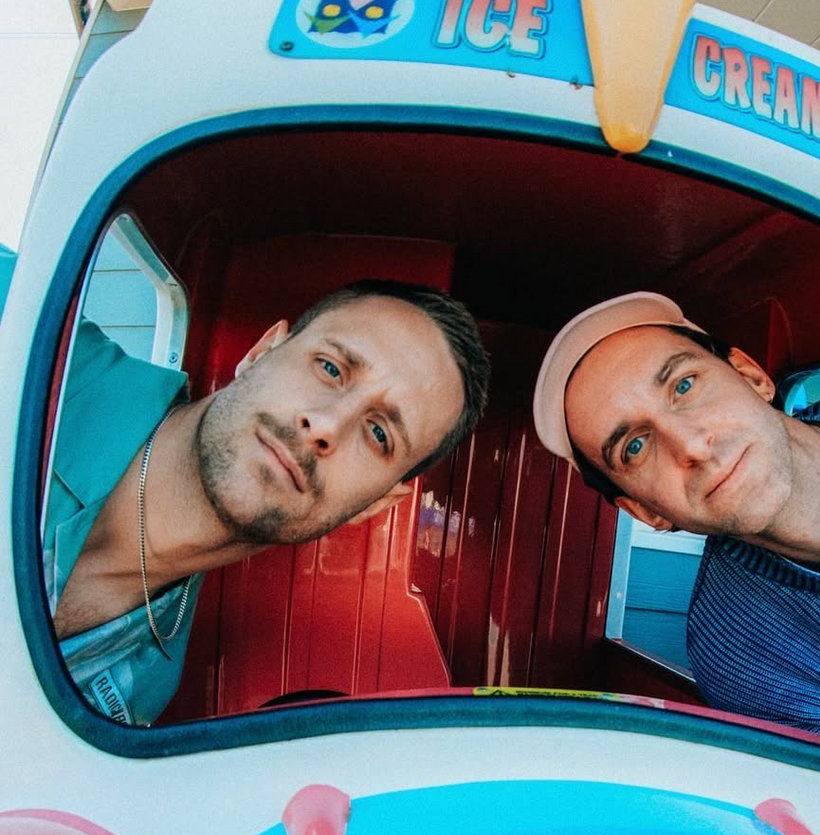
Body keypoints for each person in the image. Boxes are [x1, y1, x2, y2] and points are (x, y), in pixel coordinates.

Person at [45, 279, 489, 725]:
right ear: (261, 353)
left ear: (375, 505)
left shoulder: (144, 686)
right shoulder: (34, 346)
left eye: (378, 434)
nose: (325, 425)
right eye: (330, 368)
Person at [533, 292, 820, 750]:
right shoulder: (737, 652)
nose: (692, 446)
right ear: (646, 512)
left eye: (684, 386)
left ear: (752, 377)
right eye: (635, 446)